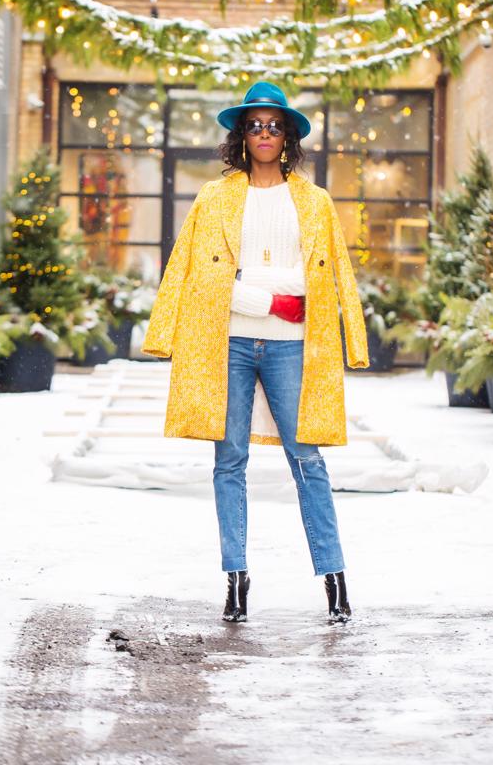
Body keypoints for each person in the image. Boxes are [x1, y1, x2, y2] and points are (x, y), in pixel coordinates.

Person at [142, 81, 369, 624]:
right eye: (254, 125)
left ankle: (335, 580)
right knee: (229, 462)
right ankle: (236, 579)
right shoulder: (214, 197)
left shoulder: (314, 202)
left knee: (308, 460)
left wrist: (249, 284)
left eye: (273, 125)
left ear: (288, 136)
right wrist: (267, 295)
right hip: (228, 346)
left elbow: (328, 277)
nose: (264, 134)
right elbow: (197, 275)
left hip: (294, 349)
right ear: (240, 136)